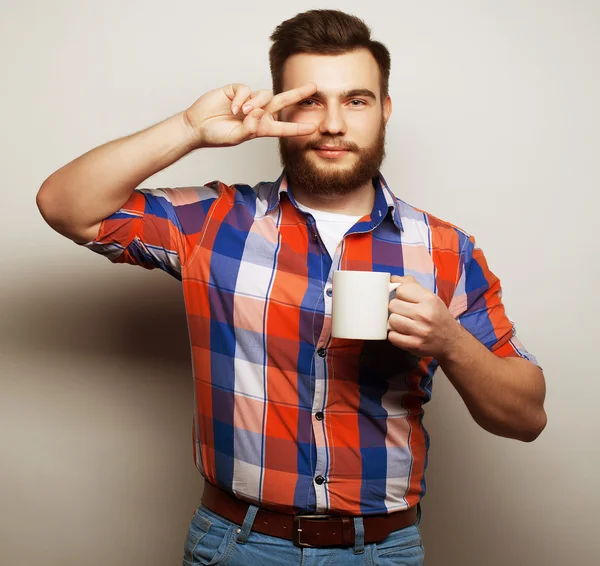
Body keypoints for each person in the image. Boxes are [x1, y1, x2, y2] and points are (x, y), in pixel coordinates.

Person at [36, 9, 547, 566]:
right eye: (309, 101)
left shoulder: (448, 249)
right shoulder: (215, 221)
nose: (332, 124)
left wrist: (450, 340)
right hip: (237, 545)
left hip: (382, 551)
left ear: (385, 111)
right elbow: (65, 206)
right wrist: (188, 128)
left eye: (356, 100)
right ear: (277, 106)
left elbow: (525, 417)